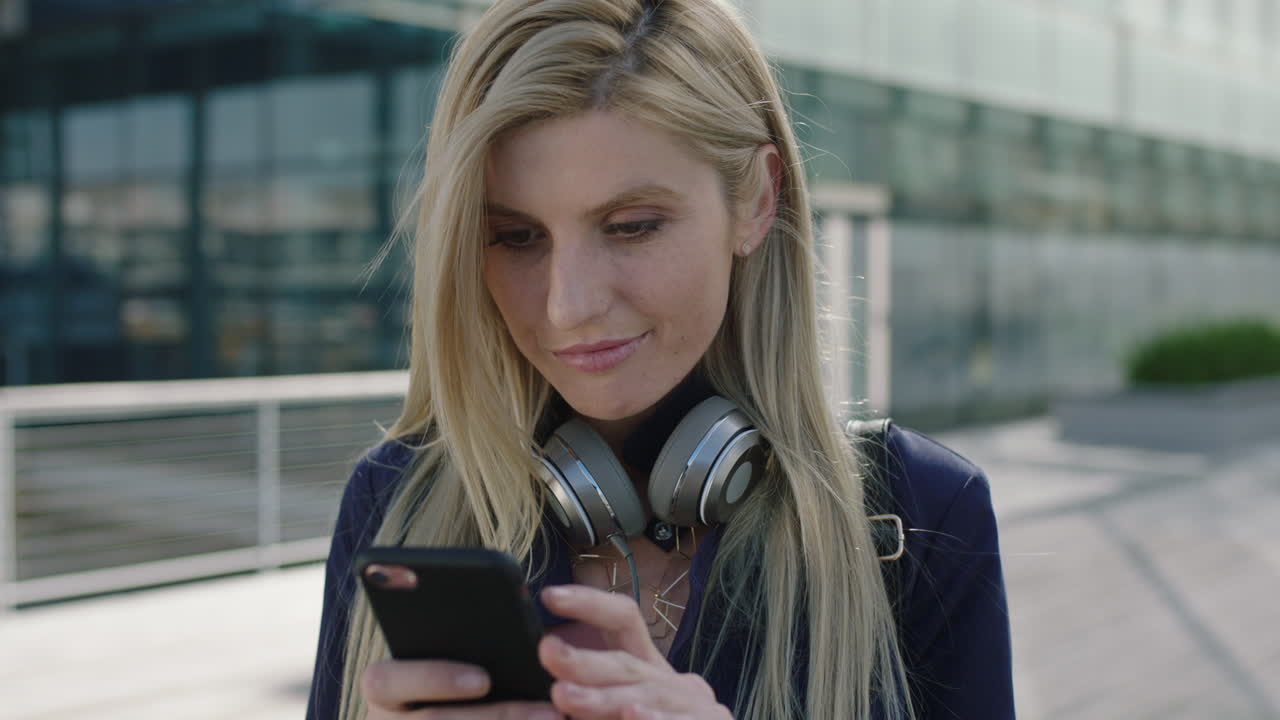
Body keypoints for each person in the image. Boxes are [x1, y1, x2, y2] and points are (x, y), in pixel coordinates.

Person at [306, 0, 1015, 718]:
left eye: (632, 226)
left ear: (757, 200)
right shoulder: (397, 503)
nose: (567, 305)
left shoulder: (918, 520)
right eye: (517, 237)